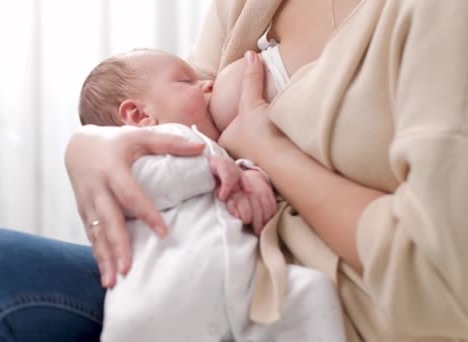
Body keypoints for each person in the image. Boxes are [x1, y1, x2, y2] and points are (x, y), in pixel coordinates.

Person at [0, 0, 468, 341]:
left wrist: (268, 150)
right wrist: (88, 146)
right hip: (209, 264)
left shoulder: (437, 17)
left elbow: (441, 280)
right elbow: (179, 116)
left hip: (328, 307)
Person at [78, 49, 345, 341]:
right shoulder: (143, 153)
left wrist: (250, 175)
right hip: (159, 300)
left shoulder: (211, 150)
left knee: (311, 290)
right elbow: (148, 183)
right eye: (185, 81)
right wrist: (214, 171)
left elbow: (230, 174)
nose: (207, 84)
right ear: (139, 115)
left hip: (231, 290)